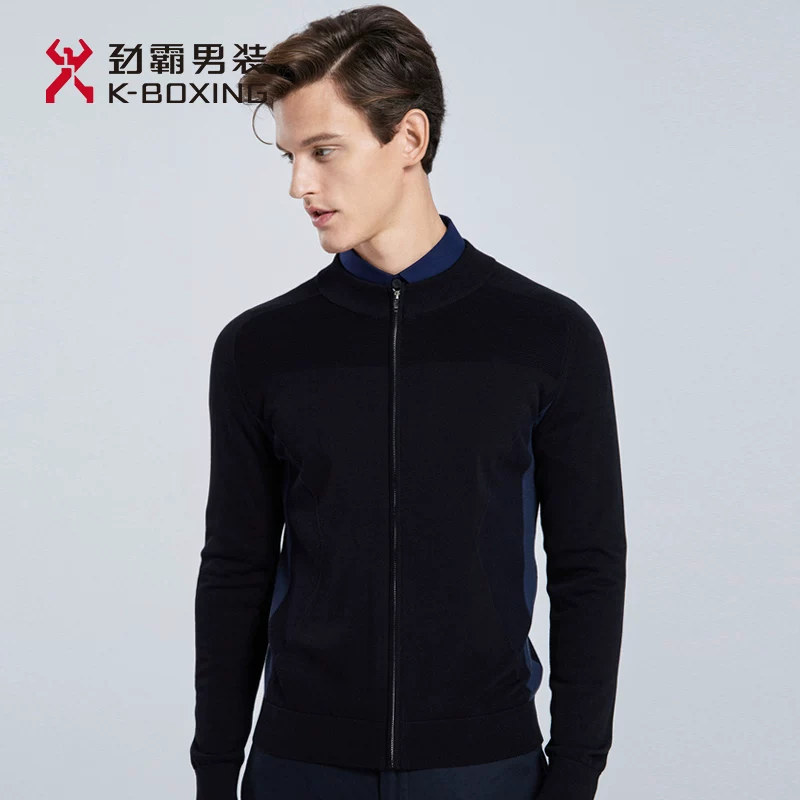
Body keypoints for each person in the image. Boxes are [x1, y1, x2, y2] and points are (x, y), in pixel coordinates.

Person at [190, 5, 627, 800]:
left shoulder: (547, 336)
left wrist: (575, 772)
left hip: (484, 768)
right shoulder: (261, 348)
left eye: (324, 151)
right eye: (291, 156)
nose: (299, 184)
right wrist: (217, 771)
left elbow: (588, 565)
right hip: (299, 769)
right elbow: (236, 567)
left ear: (410, 138)